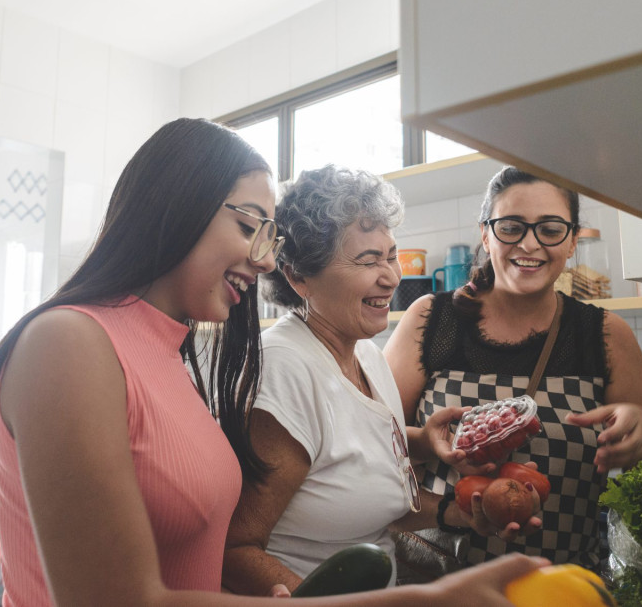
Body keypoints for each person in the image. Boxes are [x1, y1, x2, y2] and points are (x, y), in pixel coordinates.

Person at [0, 123, 545, 606]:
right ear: (177, 208)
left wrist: (418, 446)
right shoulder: (68, 343)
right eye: (248, 227)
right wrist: (419, 601)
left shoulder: (173, 353)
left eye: (267, 234)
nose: (264, 259)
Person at [222, 166, 539, 597]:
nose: (391, 276)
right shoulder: (286, 369)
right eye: (368, 260)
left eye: (391, 255)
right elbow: (235, 549)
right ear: (299, 277)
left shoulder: (366, 355)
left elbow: (363, 489)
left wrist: (459, 507)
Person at [384, 165, 642, 571]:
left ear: (572, 242)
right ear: (485, 234)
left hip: (560, 588)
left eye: (550, 229)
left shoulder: (603, 334)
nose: (529, 245)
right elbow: (367, 453)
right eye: (511, 227)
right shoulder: (430, 321)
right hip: (437, 586)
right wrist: (443, 493)